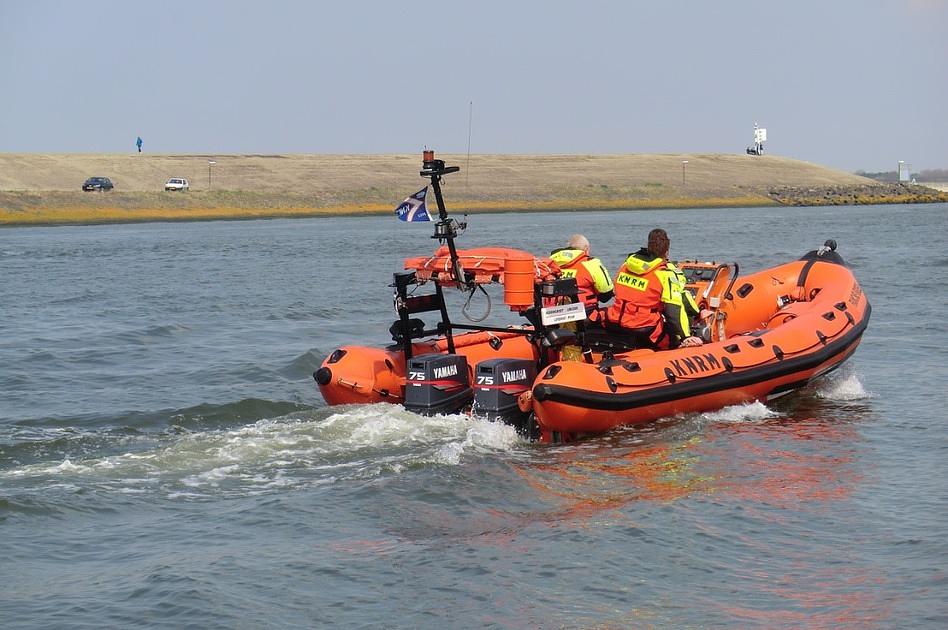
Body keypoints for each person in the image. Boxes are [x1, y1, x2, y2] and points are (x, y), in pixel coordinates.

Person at [601, 228, 703, 349]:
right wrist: (686, 336)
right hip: (644, 326)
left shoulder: (626, 265)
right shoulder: (665, 273)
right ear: (666, 252)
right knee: (674, 337)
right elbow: (673, 312)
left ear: (648, 246)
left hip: (616, 320)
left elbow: (616, 290)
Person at [549, 234, 614, 316]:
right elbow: (606, 296)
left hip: (554, 314)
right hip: (584, 315)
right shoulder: (591, 264)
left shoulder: (550, 263)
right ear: (586, 248)